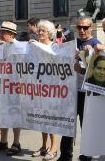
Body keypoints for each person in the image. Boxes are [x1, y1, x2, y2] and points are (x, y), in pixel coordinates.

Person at [58, 16, 100, 161]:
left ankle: (86, 155)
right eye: (79, 27)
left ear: (91, 28)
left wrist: (86, 62)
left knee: (85, 125)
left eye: (85, 27)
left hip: (86, 92)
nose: (82, 30)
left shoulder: (96, 44)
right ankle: (65, 155)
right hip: (70, 91)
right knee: (67, 124)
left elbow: (100, 73)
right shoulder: (71, 44)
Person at [0, 22, 22, 156]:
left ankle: (16, 142)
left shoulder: (20, 47)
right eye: (0, 32)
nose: (0, 35)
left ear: (11, 34)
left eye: (3, 32)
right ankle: (3, 141)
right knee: (2, 113)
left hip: (15, 86)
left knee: (15, 113)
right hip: (1, 85)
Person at [31, 20, 59, 161]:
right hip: (38, 87)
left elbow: (53, 59)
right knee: (42, 118)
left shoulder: (55, 46)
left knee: (51, 118)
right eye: (39, 30)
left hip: (52, 88)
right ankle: (44, 146)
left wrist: (37, 46)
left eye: (43, 31)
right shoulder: (35, 46)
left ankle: (54, 149)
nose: (40, 33)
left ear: (50, 33)